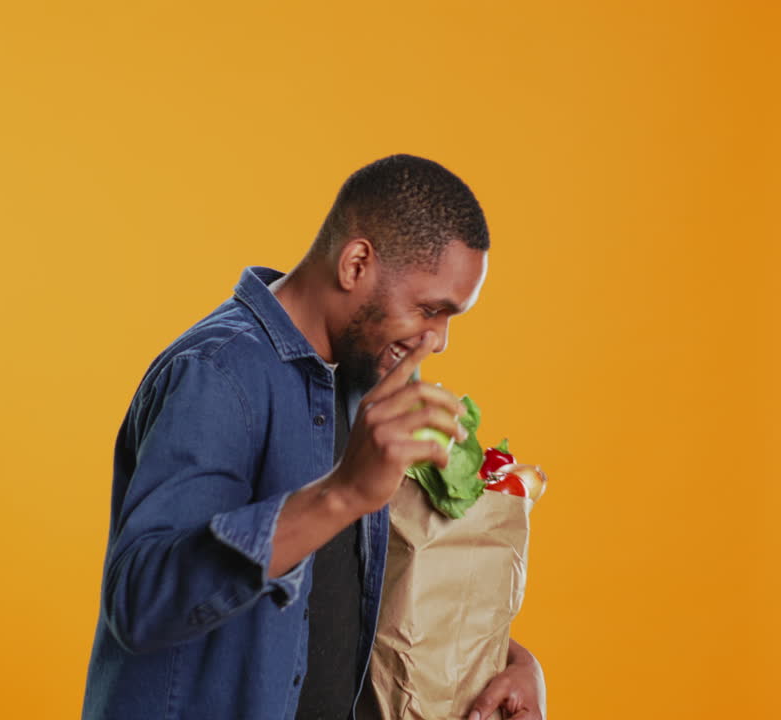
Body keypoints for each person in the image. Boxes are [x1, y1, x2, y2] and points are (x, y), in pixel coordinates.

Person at [80, 154, 547, 720]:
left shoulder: (371, 376)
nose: (440, 340)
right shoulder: (216, 375)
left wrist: (510, 662)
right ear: (355, 264)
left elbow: (367, 600)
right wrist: (343, 494)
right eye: (429, 309)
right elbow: (140, 602)